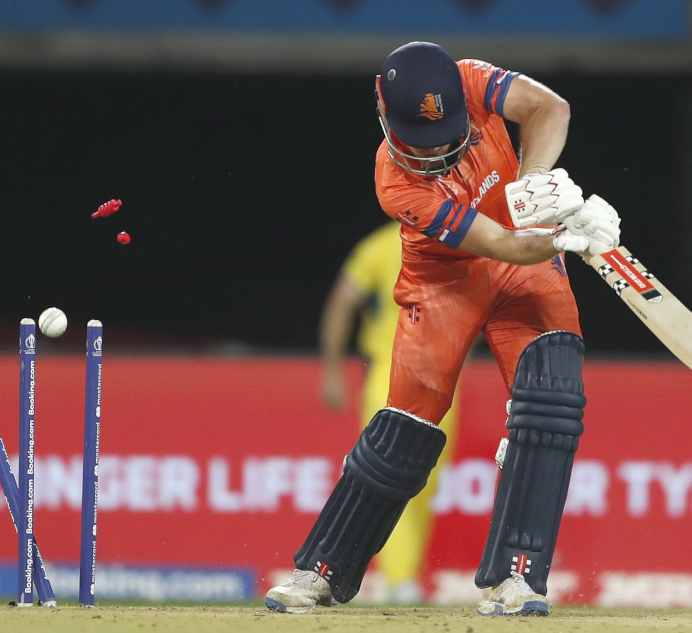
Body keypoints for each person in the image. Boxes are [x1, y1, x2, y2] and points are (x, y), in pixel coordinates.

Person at [265, 41, 620, 616]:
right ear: (382, 114)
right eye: (422, 145)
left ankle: (517, 579)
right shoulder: (395, 184)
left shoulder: (472, 79)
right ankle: (322, 571)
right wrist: (559, 236)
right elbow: (501, 242)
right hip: (446, 284)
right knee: (405, 432)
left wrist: (533, 187)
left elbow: (551, 109)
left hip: (522, 270)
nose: (439, 154)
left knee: (552, 404)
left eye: (449, 136)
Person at [319, 220, 459, 603]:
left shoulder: (460, 239)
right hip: (391, 369)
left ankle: (404, 573)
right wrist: (332, 370)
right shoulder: (380, 246)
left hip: (445, 375)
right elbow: (342, 301)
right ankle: (399, 580)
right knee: (388, 474)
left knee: (427, 480)